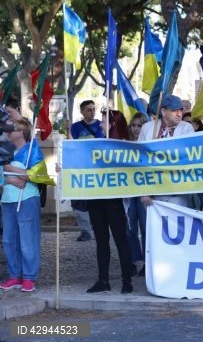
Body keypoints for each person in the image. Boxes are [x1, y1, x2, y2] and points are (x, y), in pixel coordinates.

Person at [86, 110, 134, 294]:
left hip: (114, 200)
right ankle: (103, 280)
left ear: (113, 124)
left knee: (120, 239)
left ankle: (126, 280)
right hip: (96, 198)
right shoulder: (96, 144)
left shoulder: (122, 146)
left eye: (104, 122)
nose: (100, 125)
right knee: (101, 241)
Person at [0, 119, 42, 293]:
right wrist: (8, 179)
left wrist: (12, 170)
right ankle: (14, 275)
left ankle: (29, 277)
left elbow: (38, 175)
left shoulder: (32, 149)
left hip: (27, 199)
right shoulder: (4, 149)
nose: (9, 131)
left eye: (13, 128)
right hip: (7, 200)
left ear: (22, 132)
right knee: (9, 240)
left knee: (27, 240)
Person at [139, 95, 195, 208]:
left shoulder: (187, 128)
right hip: (153, 195)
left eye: (181, 110)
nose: (179, 114)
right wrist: (143, 191)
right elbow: (140, 160)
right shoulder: (147, 128)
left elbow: (187, 157)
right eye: (175, 111)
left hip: (177, 193)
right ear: (164, 111)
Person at [70, 100, 104, 242]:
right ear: (82, 111)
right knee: (80, 202)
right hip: (80, 168)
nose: (92, 112)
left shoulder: (101, 125)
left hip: (96, 169)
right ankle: (85, 231)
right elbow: (71, 144)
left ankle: (98, 229)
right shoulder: (75, 127)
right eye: (88, 109)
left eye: (93, 109)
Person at [125, 112, 149, 276]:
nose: (136, 129)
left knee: (147, 228)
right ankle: (132, 261)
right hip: (129, 192)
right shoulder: (124, 145)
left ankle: (148, 262)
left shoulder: (149, 144)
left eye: (139, 125)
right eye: (133, 125)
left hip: (145, 192)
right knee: (130, 228)